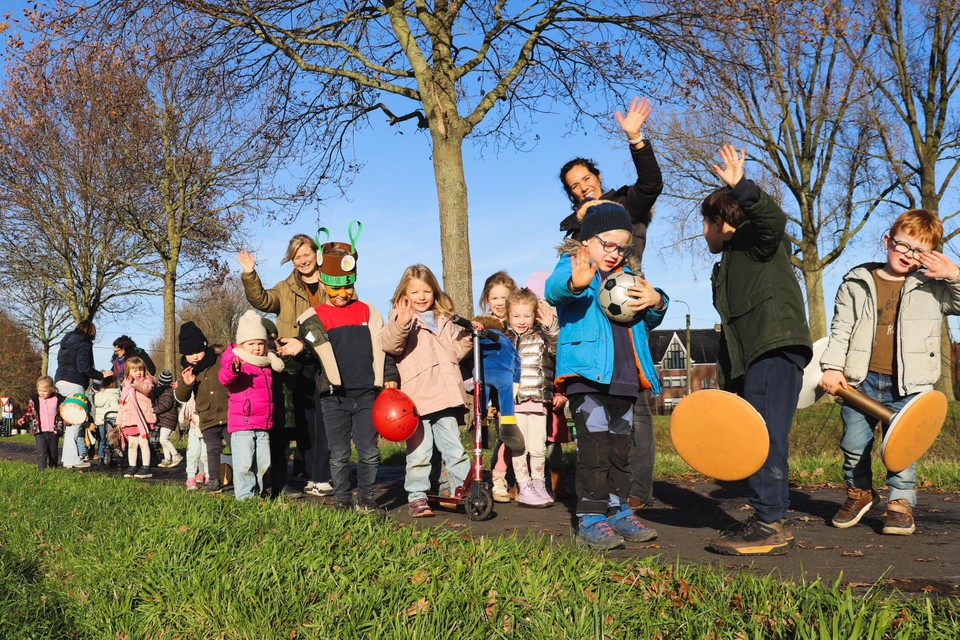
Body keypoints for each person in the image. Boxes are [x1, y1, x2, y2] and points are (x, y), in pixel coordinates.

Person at [699, 146, 812, 556]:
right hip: (758, 356)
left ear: (719, 222)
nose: (704, 235)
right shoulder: (730, 261)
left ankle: (770, 522)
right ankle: (767, 514)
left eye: (705, 226)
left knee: (766, 436)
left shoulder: (754, 241)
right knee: (758, 434)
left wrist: (741, 187)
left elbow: (772, 221)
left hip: (774, 347)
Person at [820, 209, 960, 535]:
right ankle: (860, 492)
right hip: (859, 380)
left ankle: (900, 503)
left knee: (902, 447)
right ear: (887, 241)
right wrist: (832, 366)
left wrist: (953, 274)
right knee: (854, 443)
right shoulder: (856, 283)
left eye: (919, 251)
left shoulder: (934, 286)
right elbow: (841, 329)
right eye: (903, 246)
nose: (909, 256)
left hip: (910, 383)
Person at [558, 97, 663, 513]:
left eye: (586, 179)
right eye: (574, 187)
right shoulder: (574, 227)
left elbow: (651, 183)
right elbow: (563, 277)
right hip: (591, 318)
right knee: (601, 409)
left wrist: (635, 138)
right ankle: (599, 493)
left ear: (598, 177)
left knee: (635, 405)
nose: (582, 187)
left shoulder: (625, 204)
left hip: (628, 307)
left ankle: (636, 490)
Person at [544, 199, 667, 549]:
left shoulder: (629, 279)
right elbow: (553, 291)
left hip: (625, 378)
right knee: (594, 448)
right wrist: (574, 281)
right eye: (607, 244)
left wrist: (656, 300)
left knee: (619, 449)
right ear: (587, 242)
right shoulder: (571, 267)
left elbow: (650, 318)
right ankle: (591, 516)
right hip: (587, 377)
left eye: (621, 247)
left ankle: (618, 508)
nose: (614, 253)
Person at [293, 236, 399, 510]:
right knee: (339, 454)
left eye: (348, 287)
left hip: (367, 395)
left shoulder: (368, 312)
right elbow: (310, 355)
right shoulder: (314, 316)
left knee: (370, 452)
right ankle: (342, 501)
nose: (342, 294)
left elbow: (383, 348)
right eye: (336, 288)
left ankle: (366, 498)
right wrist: (298, 349)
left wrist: (390, 376)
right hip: (334, 397)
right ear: (324, 283)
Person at [239, 234, 332, 497]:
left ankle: (321, 476)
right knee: (295, 418)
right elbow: (263, 301)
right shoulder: (285, 287)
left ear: (316, 254)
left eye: (306, 254)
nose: (302, 260)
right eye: (296, 256)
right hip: (291, 359)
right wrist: (250, 273)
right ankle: (292, 475)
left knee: (322, 419)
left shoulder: (331, 282)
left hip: (325, 356)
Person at [380, 264, 474, 518]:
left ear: (434, 292)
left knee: (454, 447)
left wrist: (468, 336)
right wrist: (401, 322)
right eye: (415, 292)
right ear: (405, 294)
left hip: (444, 395)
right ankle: (417, 495)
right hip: (417, 398)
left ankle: (464, 490)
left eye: (426, 291)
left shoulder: (445, 318)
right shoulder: (401, 318)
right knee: (420, 451)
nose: (421, 297)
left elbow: (455, 352)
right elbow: (389, 344)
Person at [219, 310, 285, 501]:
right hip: (243, 422)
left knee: (263, 462)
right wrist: (234, 370)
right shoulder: (235, 360)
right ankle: (245, 497)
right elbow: (225, 378)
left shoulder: (266, 363)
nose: (257, 348)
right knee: (245, 462)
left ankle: (259, 492)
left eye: (260, 343)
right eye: (251, 344)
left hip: (263, 422)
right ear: (241, 344)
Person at [504, 287, 561, 508]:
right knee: (519, 446)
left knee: (537, 447)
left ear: (534, 315)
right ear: (508, 315)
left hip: (537, 398)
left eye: (526, 315)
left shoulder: (541, 336)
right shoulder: (505, 339)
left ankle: (539, 483)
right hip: (513, 402)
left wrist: (551, 327)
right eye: (516, 316)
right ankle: (524, 485)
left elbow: (556, 349)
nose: (521, 320)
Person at [477, 271, 520, 503]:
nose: (500, 303)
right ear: (486, 299)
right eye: (494, 298)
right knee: (502, 434)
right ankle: (498, 479)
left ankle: (514, 478)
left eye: (505, 297)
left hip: (516, 386)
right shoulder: (483, 325)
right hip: (492, 391)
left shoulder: (519, 320)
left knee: (514, 434)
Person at [174, 322, 231, 493]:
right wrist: (187, 384)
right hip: (207, 416)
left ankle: (247, 475)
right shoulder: (187, 371)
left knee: (236, 445)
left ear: (205, 346)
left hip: (229, 412)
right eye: (190, 354)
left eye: (198, 351)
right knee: (211, 449)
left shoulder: (219, 361)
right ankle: (213, 479)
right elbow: (181, 397)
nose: (195, 357)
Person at [54, 320, 103, 469]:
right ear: (90, 332)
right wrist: (100, 375)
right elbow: (83, 367)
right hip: (74, 382)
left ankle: (69, 457)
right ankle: (71, 459)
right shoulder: (84, 343)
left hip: (60, 380)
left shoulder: (65, 342)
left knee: (69, 422)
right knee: (76, 422)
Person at [117, 357, 156, 479]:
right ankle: (132, 466)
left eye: (141, 370)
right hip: (130, 420)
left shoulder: (147, 382)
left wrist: (135, 383)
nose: (139, 373)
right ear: (128, 372)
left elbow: (147, 390)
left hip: (143, 419)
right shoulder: (125, 387)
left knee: (143, 443)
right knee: (132, 444)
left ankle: (146, 467)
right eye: (135, 370)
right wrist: (120, 420)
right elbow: (122, 405)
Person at [19, 376, 64, 470]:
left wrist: (68, 421)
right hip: (39, 431)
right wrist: (24, 418)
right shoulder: (35, 400)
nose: (42, 393)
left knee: (53, 453)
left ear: (52, 389)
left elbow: (63, 412)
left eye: (45, 391)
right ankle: (41, 472)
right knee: (41, 453)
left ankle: (53, 470)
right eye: (39, 391)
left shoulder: (58, 399)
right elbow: (30, 411)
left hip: (53, 431)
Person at [153, 370, 182, 468]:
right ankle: (167, 459)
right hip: (165, 420)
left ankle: (175, 455)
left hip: (168, 419)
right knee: (163, 439)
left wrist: (153, 410)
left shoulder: (167, 392)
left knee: (163, 439)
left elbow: (165, 405)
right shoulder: (167, 391)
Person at [180, 397, 209, 491]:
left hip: (208, 424)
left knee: (207, 454)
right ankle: (191, 477)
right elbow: (182, 396)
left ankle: (209, 476)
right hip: (194, 424)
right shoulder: (192, 389)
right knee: (192, 452)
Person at [91, 375, 120, 463]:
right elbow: (115, 407)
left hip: (100, 420)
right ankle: (109, 453)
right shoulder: (113, 394)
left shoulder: (99, 394)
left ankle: (101, 455)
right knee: (110, 437)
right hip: (110, 419)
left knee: (102, 438)